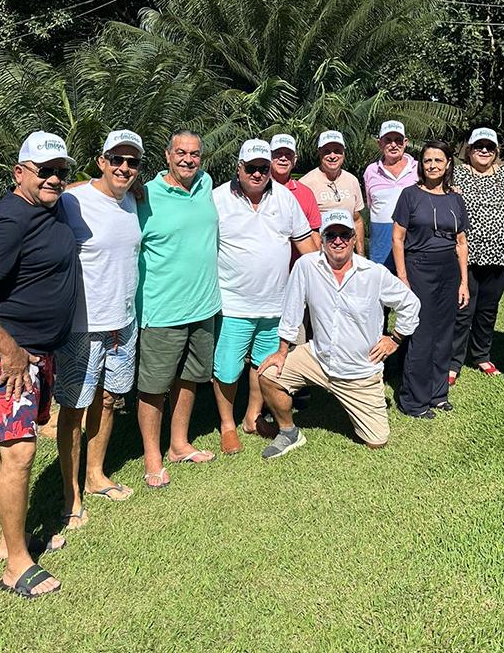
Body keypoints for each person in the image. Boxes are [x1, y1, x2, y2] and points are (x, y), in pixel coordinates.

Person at [0, 131, 79, 599]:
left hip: (34, 354)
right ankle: (17, 564)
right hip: (5, 360)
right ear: (19, 172)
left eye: (61, 170)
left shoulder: (50, 206)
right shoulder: (9, 220)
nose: (54, 178)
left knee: (22, 448)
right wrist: (9, 350)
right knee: (19, 452)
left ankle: (12, 541)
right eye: (44, 170)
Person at [257, 209, 421, 458]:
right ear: (321, 240)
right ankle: (289, 432)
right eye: (331, 234)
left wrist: (395, 339)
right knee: (269, 374)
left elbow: (410, 303)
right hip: (318, 359)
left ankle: (357, 404)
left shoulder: (373, 273)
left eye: (344, 235)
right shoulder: (306, 266)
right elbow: (291, 310)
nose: (338, 240)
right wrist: (282, 351)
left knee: (377, 441)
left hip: (360, 371)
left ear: (354, 239)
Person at [54, 130, 144, 526]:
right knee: (73, 411)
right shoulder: (73, 200)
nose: (125, 168)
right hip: (82, 328)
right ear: (101, 161)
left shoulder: (133, 201)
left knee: (108, 401)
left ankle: (94, 476)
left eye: (133, 162)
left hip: (123, 323)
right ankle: (69, 495)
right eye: (117, 159)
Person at [212, 139, 317, 455]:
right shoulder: (217, 199)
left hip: (276, 305)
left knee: (265, 367)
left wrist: (329, 279)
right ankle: (227, 426)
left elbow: (305, 245)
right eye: (252, 168)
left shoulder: (285, 198)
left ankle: (251, 418)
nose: (258, 174)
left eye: (263, 168)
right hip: (233, 304)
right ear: (239, 168)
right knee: (227, 370)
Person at [136, 130, 221, 488]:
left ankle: (179, 444)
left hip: (204, 306)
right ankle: (152, 457)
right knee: (154, 387)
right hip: (162, 310)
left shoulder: (205, 184)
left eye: (195, 154)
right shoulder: (146, 196)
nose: (189, 159)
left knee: (190, 377)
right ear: (167, 156)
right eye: (181, 153)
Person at [391, 141, 469, 418]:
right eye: (427, 161)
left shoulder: (455, 199)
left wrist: (463, 282)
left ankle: (438, 394)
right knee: (422, 334)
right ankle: (413, 400)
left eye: (438, 160)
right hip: (418, 268)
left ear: (448, 163)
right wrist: (402, 277)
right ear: (421, 165)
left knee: (444, 333)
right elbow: (398, 239)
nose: (433, 165)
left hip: (448, 270)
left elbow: (461, 242)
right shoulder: (409, 195)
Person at [450, 128, 504, 384]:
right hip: (466, 256)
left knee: (488, 310)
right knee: (462, 310)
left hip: (499, 256)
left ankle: (481, 355)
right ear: (469, 149)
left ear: (496, 150)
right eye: (479, 145)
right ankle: (453, 361)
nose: (484, 150)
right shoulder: (456, 173)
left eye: (489, 146)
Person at [363, 121, 418, 271]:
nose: (393, 145)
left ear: (405, 142)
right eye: (388, 140)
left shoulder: (419, 169)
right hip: (381, 249)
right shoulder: (371, 171)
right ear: (379, 143)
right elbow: (372, 206)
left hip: (413, 249)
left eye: (398, 140)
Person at [300, 130, 365, 253]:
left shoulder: (352, 180)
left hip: (347, 253)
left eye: (337, 151)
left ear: (344, 152)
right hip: (320, 253)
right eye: (327, 151)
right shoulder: (306, 183)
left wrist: (361, 254)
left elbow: (357, 220)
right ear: (319, 152)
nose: (332, 156)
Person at [269, 133, 322, 263]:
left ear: (295, 159)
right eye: (277, 154)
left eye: (288, 154)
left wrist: (317, 267)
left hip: (298, 269)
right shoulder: (257, 190)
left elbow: (314, 232)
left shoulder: (305, 193)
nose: (283, 158)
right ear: (269, 157)